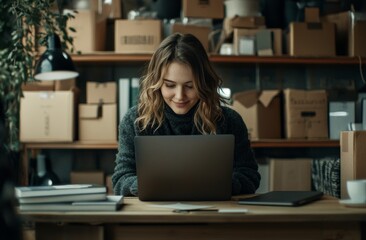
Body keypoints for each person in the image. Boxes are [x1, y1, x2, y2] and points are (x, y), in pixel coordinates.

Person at [112, 33, 260, 197]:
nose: (180, 96)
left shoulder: (229, 121)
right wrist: (148, 186)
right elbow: (120, 179)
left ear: (204, 83)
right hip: (154, 213)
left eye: (190, 86)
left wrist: (218, 186)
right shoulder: (134, 121)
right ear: (157, 83)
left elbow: (249, 175)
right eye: (170, 85)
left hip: (214, 213)